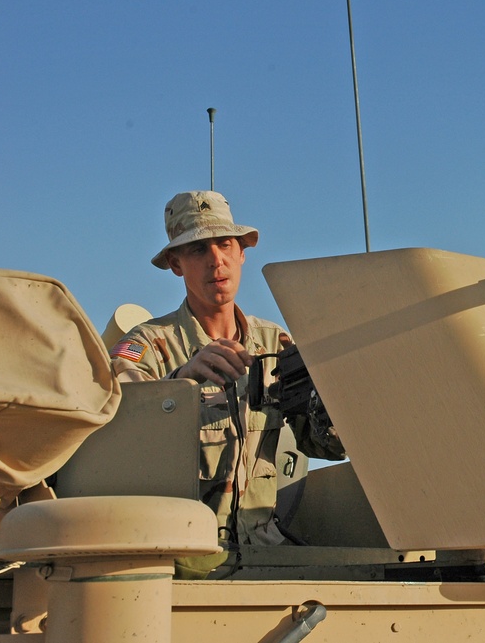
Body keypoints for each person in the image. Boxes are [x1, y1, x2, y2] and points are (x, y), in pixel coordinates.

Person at [110, 190, 344, 556]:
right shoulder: (149, 345)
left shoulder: (276, 342)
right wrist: (181, 384)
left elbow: (318, 444)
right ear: (175, 263)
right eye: (198, 250)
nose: (215, 261)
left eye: (225, 245)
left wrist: (341, 408)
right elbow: (112, 432)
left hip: (265, 551)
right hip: (180, 552)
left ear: (242, 254)